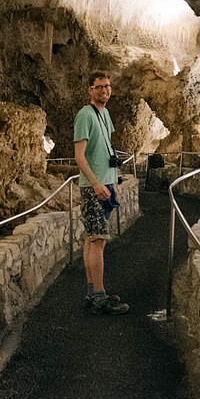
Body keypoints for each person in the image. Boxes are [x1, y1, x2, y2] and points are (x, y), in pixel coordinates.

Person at [73, 71, 129, 315]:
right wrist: (95, 183)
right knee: (98, 241)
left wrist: (110, 181)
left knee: (91, 239)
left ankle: (91, 292)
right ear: (90, 90)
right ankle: (99, 298)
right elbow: (79, 156)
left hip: (105, 186)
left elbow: (105, 150)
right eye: (99, 87)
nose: (104, 90)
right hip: (94, 188)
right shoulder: (85, 115)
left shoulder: (105, 114)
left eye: (107, 87)